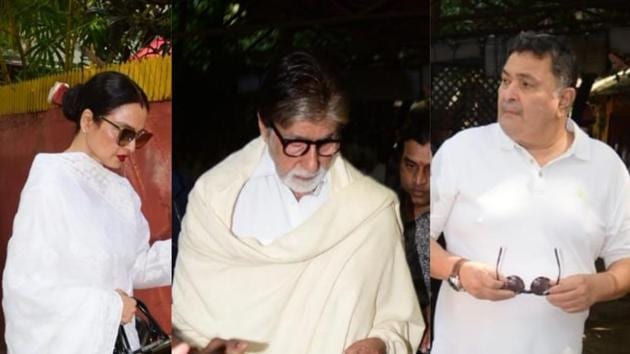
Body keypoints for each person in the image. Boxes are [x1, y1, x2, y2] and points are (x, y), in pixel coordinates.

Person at [173, 51, 423, 354]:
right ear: (264, 126)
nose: (312, 163)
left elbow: (398, 321)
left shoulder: (372, 211)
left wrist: (381, 344)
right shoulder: (214, 201)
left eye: (327, 143)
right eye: (296, 144)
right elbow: (185, 324)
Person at [430, 31, 630, 354]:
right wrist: (459, 270)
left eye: (526, 84)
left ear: (563, 100)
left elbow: (626, 258)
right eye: (505, 81)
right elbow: (415, 239)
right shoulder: (461, 152)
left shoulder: (605, 167)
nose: (508, 94)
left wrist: (599, 286)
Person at [2, 71, 172, 353]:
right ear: (87, 121)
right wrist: (109, 307)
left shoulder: (121, 192)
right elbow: (26, 291)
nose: (130, 147)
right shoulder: (51, 182)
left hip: (119, 343)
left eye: (139, 137)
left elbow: (134, 266)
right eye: (124, 133)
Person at [397, 106, 431, 353]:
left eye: (430, 169)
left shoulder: (458, 224)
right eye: (411, 166)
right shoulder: (383, 213)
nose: (419, 180)